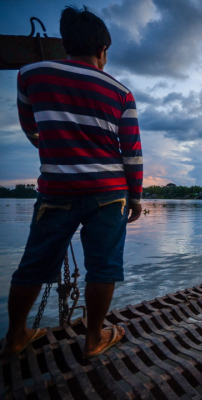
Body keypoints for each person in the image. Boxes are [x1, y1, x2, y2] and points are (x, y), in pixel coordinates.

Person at [1, 6, 142, 358]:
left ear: (66, 43)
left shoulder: (31, 73)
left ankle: (15, 336)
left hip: (56, 188)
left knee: (33, 264)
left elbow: (31, 126)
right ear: (103, 50)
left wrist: (54, 145)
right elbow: (132, 153)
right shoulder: (121, 93)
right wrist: (136, 198)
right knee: (104, 266)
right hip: (109, 194)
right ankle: (94, 338)